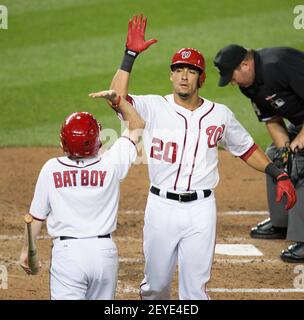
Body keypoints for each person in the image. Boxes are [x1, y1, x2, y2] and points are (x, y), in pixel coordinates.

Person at [91, 14, 296, 300]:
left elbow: (246, 149)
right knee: (155, 287)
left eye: (191, 70)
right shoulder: (152, 107)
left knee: (195, 292)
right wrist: (129, 56)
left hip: (201, 210)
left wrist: (279, 174)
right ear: (171, 75)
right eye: (179, 69)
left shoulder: (220, 114)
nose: (184, 75)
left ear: (202, 78)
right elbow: (118, 96)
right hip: (161, 207)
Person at [19, 90, 145, 300]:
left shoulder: (51, 168)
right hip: (105, 254)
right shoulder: (111, 164)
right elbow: (137, 124)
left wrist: (26, 251)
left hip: (68, 255)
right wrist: (117, 100)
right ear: (97, 141)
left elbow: (36, 217)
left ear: (63, 142)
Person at [214, 44, 304, 263]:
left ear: (245, 64)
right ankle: (281, 223)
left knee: (302, 161)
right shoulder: (249, 84)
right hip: (299, 123)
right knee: (276, 156)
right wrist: (286, 149)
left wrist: (300, 141)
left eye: (232, 76)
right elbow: (272, 119)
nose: (233, 83)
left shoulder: (279, 65)